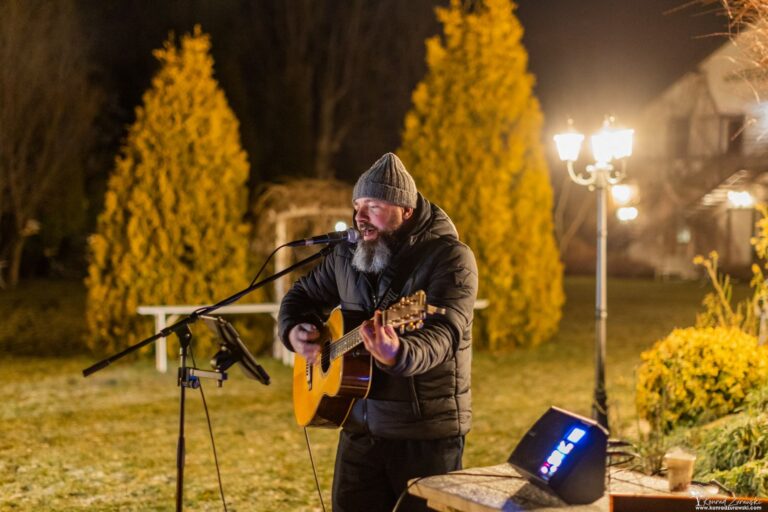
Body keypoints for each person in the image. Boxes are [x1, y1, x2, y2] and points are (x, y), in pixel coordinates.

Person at [279, 152, 478, 511]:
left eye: (373, 204)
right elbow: (302, 295)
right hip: (358, 426)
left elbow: (444, 335)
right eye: (357, 205)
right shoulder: (347, 255)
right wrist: (294, 329)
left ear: (406, 210)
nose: (360, 216)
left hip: (424, 436)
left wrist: (398, 354)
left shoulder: (450, 258)